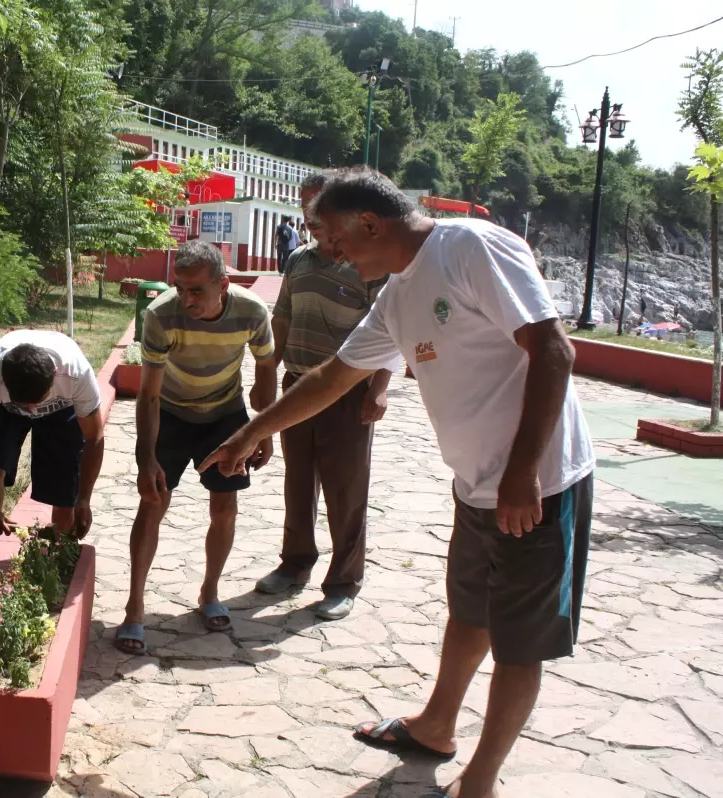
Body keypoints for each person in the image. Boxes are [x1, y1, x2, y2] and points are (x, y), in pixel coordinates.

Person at [200, 169, 595, 798]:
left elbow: (553, 350)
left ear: (368, 223)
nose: (327, 247)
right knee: (469, 614)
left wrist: (524, 473)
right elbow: (335, 376)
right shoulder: (397, 293)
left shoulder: (471, 247)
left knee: (521, 641)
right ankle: (437, 725)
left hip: (539, 485)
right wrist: (252, 433)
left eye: (327, 232)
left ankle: (481, 781)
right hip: (476, 484)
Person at [115, 240, 277, 655]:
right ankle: (134, 607)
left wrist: (262, 432)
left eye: (196, 291)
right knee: (152, 502)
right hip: (169, 413)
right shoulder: (160, 314)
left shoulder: (252, 311)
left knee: (224, 508)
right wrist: (145, 457)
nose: (186, 300)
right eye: (180, 288)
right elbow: (148, 395)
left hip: (224, 417)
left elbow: (264, 371)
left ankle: (209, 591)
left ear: (223, 284)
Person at [255, 172, 394, 620]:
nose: (308, 212)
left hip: (347, 392)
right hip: (297, 386)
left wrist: (379, 389)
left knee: (345, 490)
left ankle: (344, 581)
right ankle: (294, 564)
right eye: (304, 204)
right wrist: (267, 373)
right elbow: (283, 319)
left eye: (317, 204)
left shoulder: (365, 264)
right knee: (297, 483)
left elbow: (388, 330)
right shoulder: (297, 260)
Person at [0, 330, 105, 578]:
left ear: (52, 379)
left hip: (62, 408)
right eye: (24, 402)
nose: (31, 409)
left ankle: (58, 557)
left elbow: (94, 436)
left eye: (36, 401)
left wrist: (84, 499)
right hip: (5, 411)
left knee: (64, 484)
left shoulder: (75, 373)